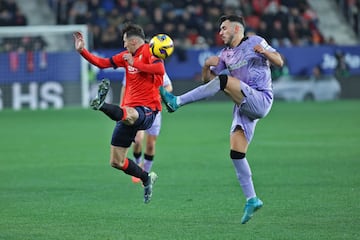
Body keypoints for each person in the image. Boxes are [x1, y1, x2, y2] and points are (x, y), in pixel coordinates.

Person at [160, 14, 283, 224]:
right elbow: (210, 82)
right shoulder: (225, 54)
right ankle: (252, 199)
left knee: (226, 80)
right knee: (236, 153)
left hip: (261, 98)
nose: (220, 32)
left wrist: (265, 53)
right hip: (243, 106)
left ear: (236, 29)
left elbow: (279, 61)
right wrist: (206, 66)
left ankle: (177, 102)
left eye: (224, 28)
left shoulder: (255, 41)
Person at [73, 23, 165, 204]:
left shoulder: (149, 51)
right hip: (126, 113)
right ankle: (146, 178)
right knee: (116, 161)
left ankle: (102, 105)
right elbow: (103, 63)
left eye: (125, 42)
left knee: (130, 114)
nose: (123, 46)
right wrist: (82, 51)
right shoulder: (125, 56)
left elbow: (160, 69)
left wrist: (136, 63)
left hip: (148, 111)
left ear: (133, 41)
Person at [121, 72, 173, 183]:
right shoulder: (133, 68)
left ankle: (146, 173)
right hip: (138, 110)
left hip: (154, 112)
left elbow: (169, 86)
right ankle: (138, 165)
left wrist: (157, 96)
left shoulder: (156, 68)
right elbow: (125, 87)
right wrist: (122, 107)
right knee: (138, 140)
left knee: (150, 144)